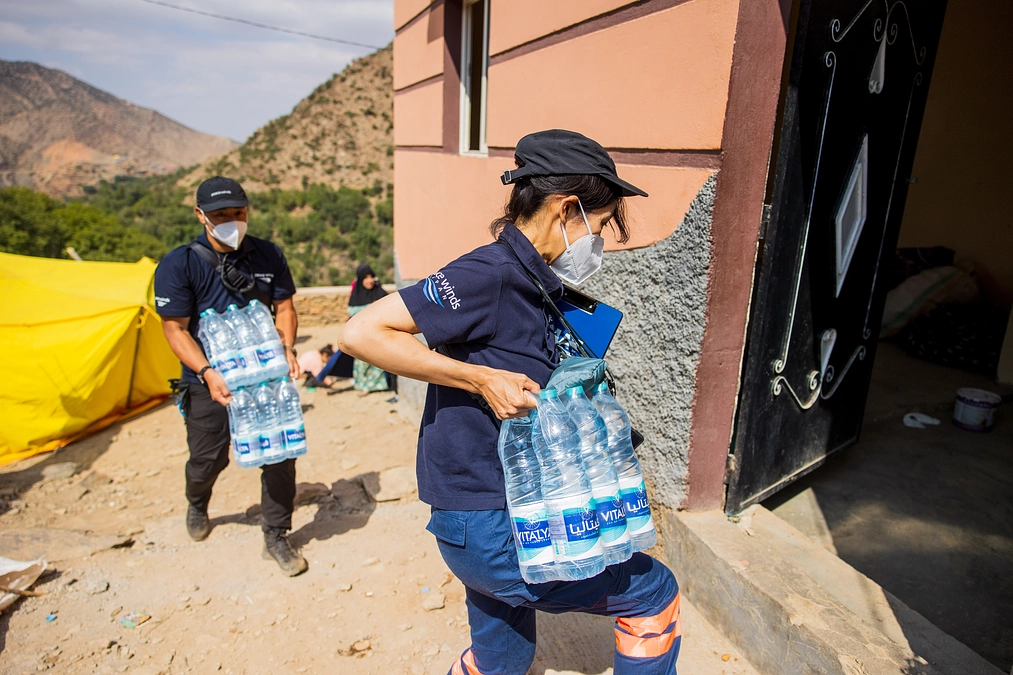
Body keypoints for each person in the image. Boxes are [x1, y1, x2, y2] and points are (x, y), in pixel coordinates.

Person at [340, 130, 681, 675]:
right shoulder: (490, 274)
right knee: (653, 592)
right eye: (602, 224)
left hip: (502, 515)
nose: (602, 241)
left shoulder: (534, 281)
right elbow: (361, 332)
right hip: (493, 524)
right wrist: (477, 378)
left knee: (501, 661)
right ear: (567, 209)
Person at [153, 176, 308, 577]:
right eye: (221, 215)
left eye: (238, 213)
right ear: (200, 215)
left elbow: (285, 307)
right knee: (207, 458)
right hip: (208, 380)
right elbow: (175, 328)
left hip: (264, 380)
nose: (232, 222)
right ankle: (197, 501)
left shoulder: (268, 255)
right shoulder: (179, 264)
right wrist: (206, 371)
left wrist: (287, 348)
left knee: (280, 453)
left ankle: (275, 532)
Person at [347, 264, 389, 395]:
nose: (369, 281)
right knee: (362, 360)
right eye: (366, 278)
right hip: (362, 334)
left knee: (377, 359)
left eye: (371, 277)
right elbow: (351, 310)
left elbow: (389, 305)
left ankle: (378, 385)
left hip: (378, 332)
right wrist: (370, 306)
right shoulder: (357, 294)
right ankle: (363, 385)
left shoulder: (379, 291)